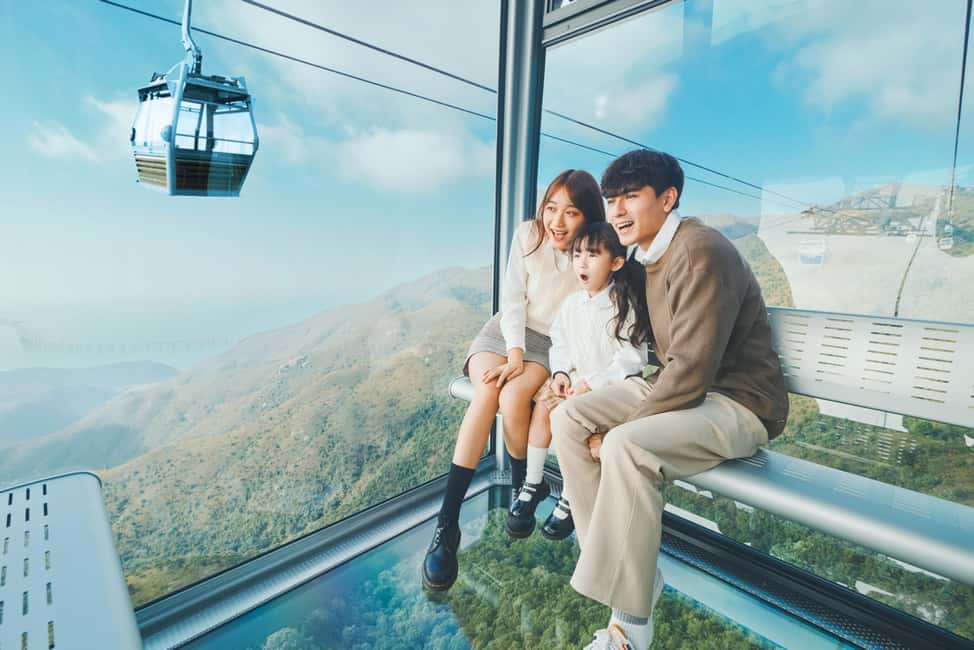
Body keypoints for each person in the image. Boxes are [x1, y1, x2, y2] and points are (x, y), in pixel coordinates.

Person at [550, 149, 789, 650]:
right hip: (682, 385)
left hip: (739, 402)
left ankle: (630, 627)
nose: (617, 211)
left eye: (630, 197)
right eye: (612, 199)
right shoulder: (648, 255)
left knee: (626, 447)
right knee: (568, 418)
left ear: (667, 198)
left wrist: (620, 429)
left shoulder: (701, 252)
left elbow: (693, 369)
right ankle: (629, 570)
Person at [422, 169, 605, 591]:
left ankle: (526, 484)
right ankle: (447, 525)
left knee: (513, 396)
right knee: (487, 391)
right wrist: (515, 352)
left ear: (588, 216)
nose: (557, 221)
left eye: (571, 212)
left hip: (551, 343)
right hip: (506, 331)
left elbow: (591, 318)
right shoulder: (528, 235)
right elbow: (512, 299)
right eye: (551, 208)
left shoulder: (593, 253)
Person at [505, 222, 650, 541]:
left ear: (615, 262)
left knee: (577, 429)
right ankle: (532, 482)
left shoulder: (622, 305)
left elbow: (631, 359)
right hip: (574, 382)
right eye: (577, 254)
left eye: (593, 255)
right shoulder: (571, 304)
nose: (582, 262)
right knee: (544, 410)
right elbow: (561, 343)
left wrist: (592, 384)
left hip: (611, 390)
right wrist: (559, 374)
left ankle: (571, 497)